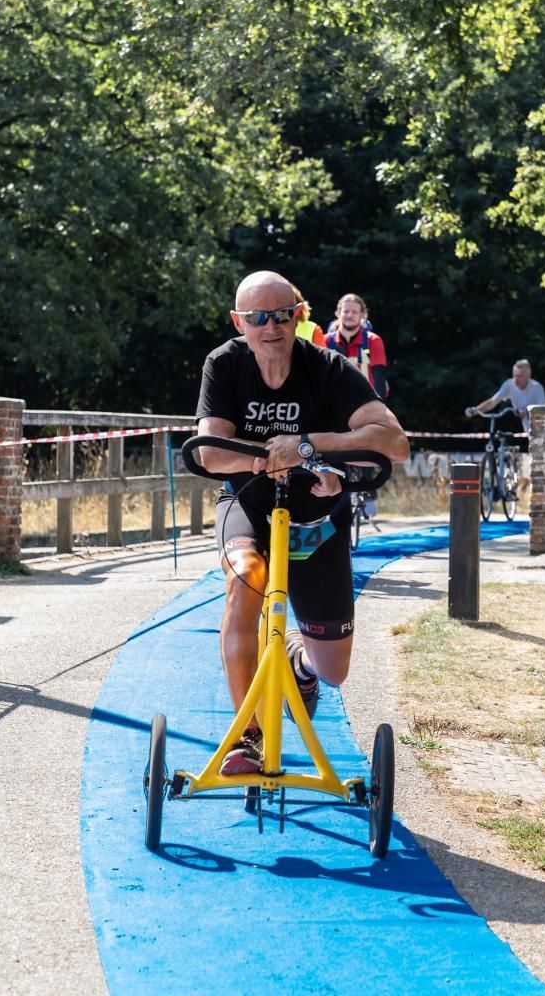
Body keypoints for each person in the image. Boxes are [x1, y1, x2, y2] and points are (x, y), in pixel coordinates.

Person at [195, 271, 409, 776]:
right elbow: (208, 451)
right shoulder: (224, 365)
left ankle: (299, 662)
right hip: (248, 503)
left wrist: (309, 446)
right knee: (248, 577)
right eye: (257, 318)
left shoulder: (328, 368)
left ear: (300, 315)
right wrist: (266, 459)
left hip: (315, 517)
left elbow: (394, 442)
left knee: (333, 672)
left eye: (281, 314)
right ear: (238, 323)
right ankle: (247, 735)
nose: (271, 327)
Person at [325, 293, 389, 400]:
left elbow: (379, 379)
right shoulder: (325, 341)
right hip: (333, 405)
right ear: (338, 313)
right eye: (346, 311)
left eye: (354, 312)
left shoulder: (373, 341)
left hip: (365, 405)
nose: (350, 315)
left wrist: (379, 409)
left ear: (362, 315)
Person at [465, 359, 545, 433]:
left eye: (520, 376)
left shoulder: (537, 387)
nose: (516, 379)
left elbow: (543, 411)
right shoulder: (509, 385)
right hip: (527, 428)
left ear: (528, 375)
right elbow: (493, 401)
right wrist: (475, 410)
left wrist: (527, 412)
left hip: (541, 427)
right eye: (514, 375)